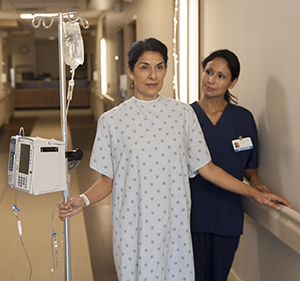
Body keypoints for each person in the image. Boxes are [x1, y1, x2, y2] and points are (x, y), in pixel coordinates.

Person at [58, 39, 291, 281]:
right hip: (132, 224)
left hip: (174, 224)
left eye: (159, 67)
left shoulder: (182, 114)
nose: (153, 75)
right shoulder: (111, 121)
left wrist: (254, 193)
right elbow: (108, 180)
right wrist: (83, 200)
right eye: (144, 67)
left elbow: (207, 168)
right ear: (130, 70)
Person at [189, 49, 278, 281]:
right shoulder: (185, 116)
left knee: (218, 276)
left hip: (227, 213)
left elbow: (250, 165)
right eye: (208, 72)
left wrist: (256, 182)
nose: (211, 80)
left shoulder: (243, 119)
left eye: (221, 76)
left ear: (233, 82)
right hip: (190, 212)